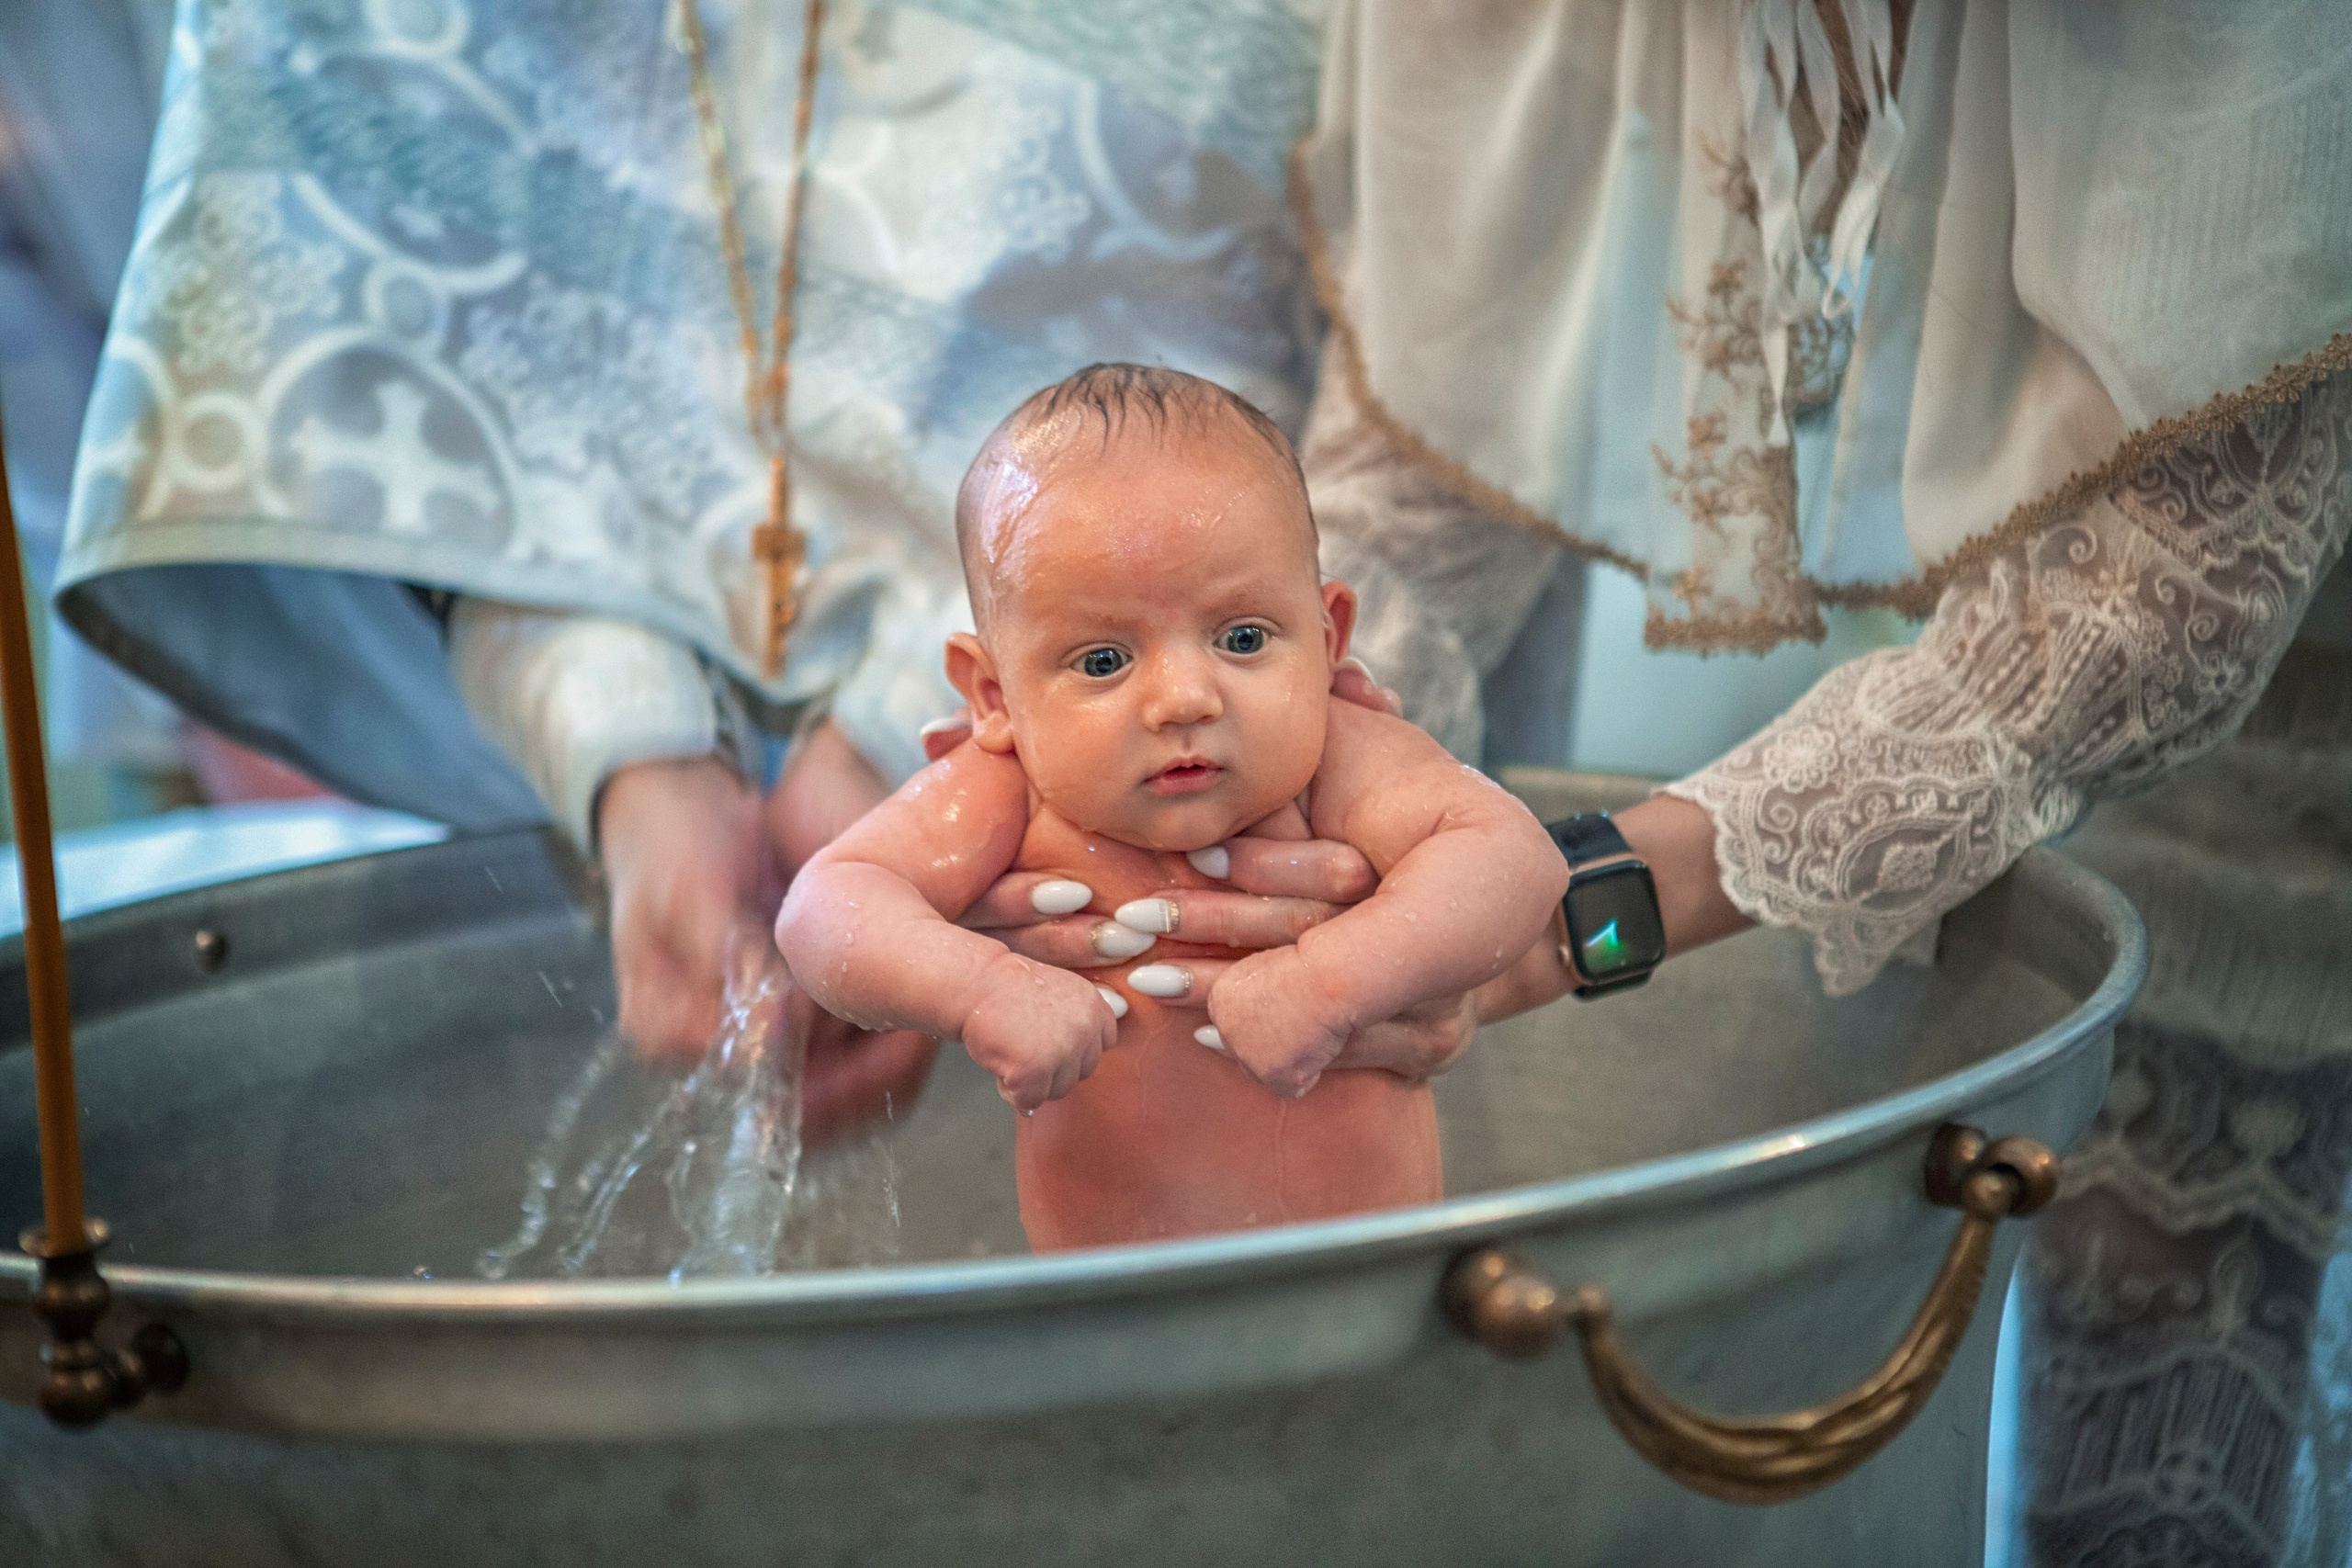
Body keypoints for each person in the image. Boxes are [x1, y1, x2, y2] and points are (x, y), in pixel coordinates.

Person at [776, 365, 1562, 1247]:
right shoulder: (1010, 784)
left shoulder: (1337, 756)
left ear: (1329, 633)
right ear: (993, 697)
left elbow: (1512, 856)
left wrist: (1331, 980)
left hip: (1361, 1293)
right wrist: (981, 990)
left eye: (1243, 638)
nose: (1186, 697)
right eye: (1104, 661)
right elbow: (824, 908)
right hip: (1112, 1320)